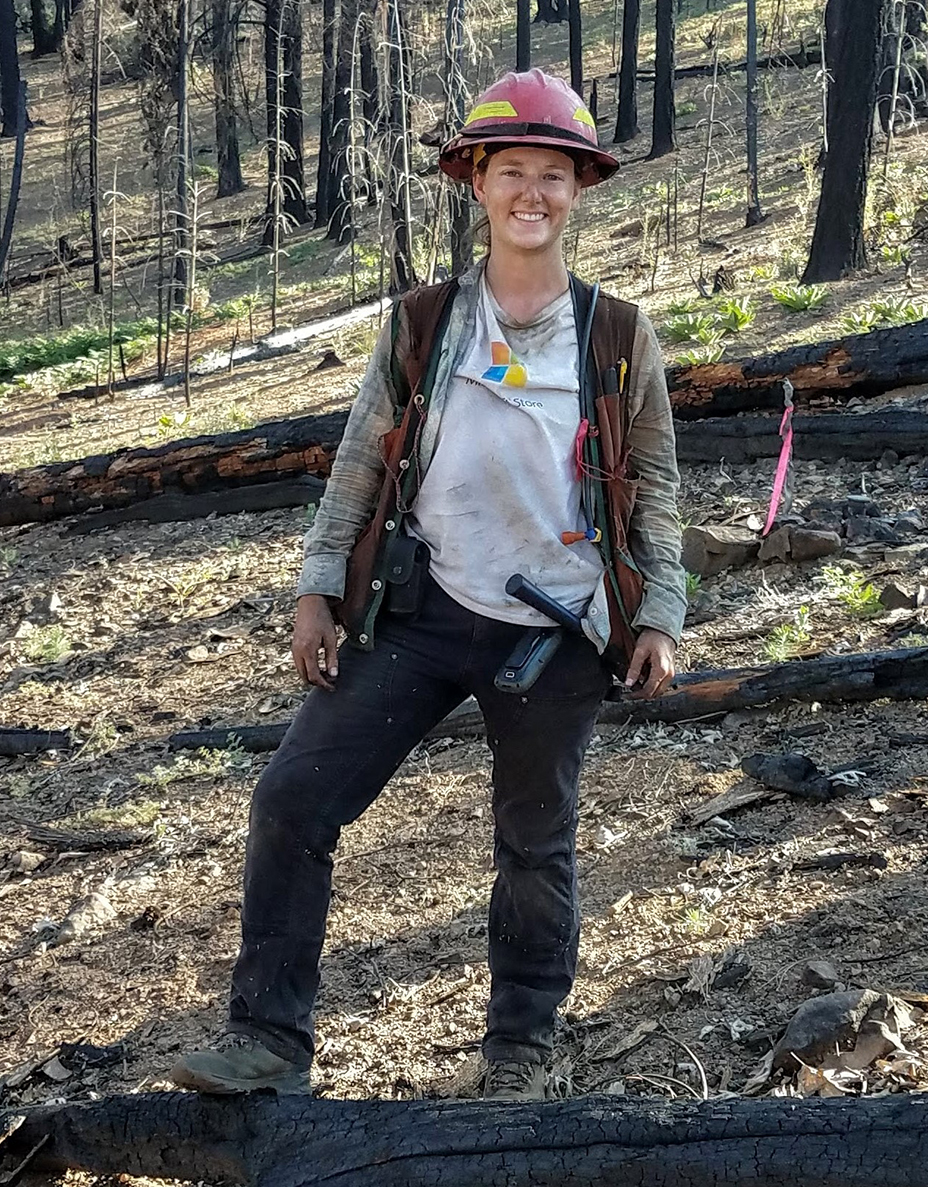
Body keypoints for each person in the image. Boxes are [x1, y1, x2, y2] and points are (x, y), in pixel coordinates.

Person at [171, 68, 686, 1103]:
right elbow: (362, 460)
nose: (530, 192)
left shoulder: (617, 336)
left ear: (577, 188)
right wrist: (318, 587)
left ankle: (522, 1045)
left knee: (533, 844)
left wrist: (660, 615)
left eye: (552, 173)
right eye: (511, 172)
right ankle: (269, 1038)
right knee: (291, 798)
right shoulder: (421, 323)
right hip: (423, 610)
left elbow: (658, 486)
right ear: (476, 183)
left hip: (560, 629)